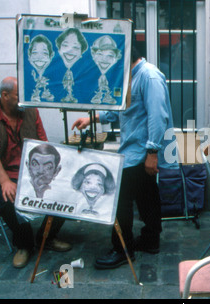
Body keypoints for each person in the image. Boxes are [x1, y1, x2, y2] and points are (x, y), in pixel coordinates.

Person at [72, 46, 176, 269]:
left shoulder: (149, 76)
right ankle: (150, 240)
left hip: (140, 150)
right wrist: (92, 119)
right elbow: (121, 109)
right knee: (147, 193)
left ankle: (122, 249)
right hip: (136, 149)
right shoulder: (130, 76)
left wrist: (152, 152)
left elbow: (159, 117)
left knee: (121, 200)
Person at [0, 77, 71, 268]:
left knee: (66, 192)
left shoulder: (31, 111)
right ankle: (24, 245)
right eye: (19, 95)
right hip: (5, 173)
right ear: (5, 96)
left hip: (31, 170)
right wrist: (4, 181)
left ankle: (47, 237)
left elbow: (43, 143)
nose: (24, 99)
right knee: (7, 198)